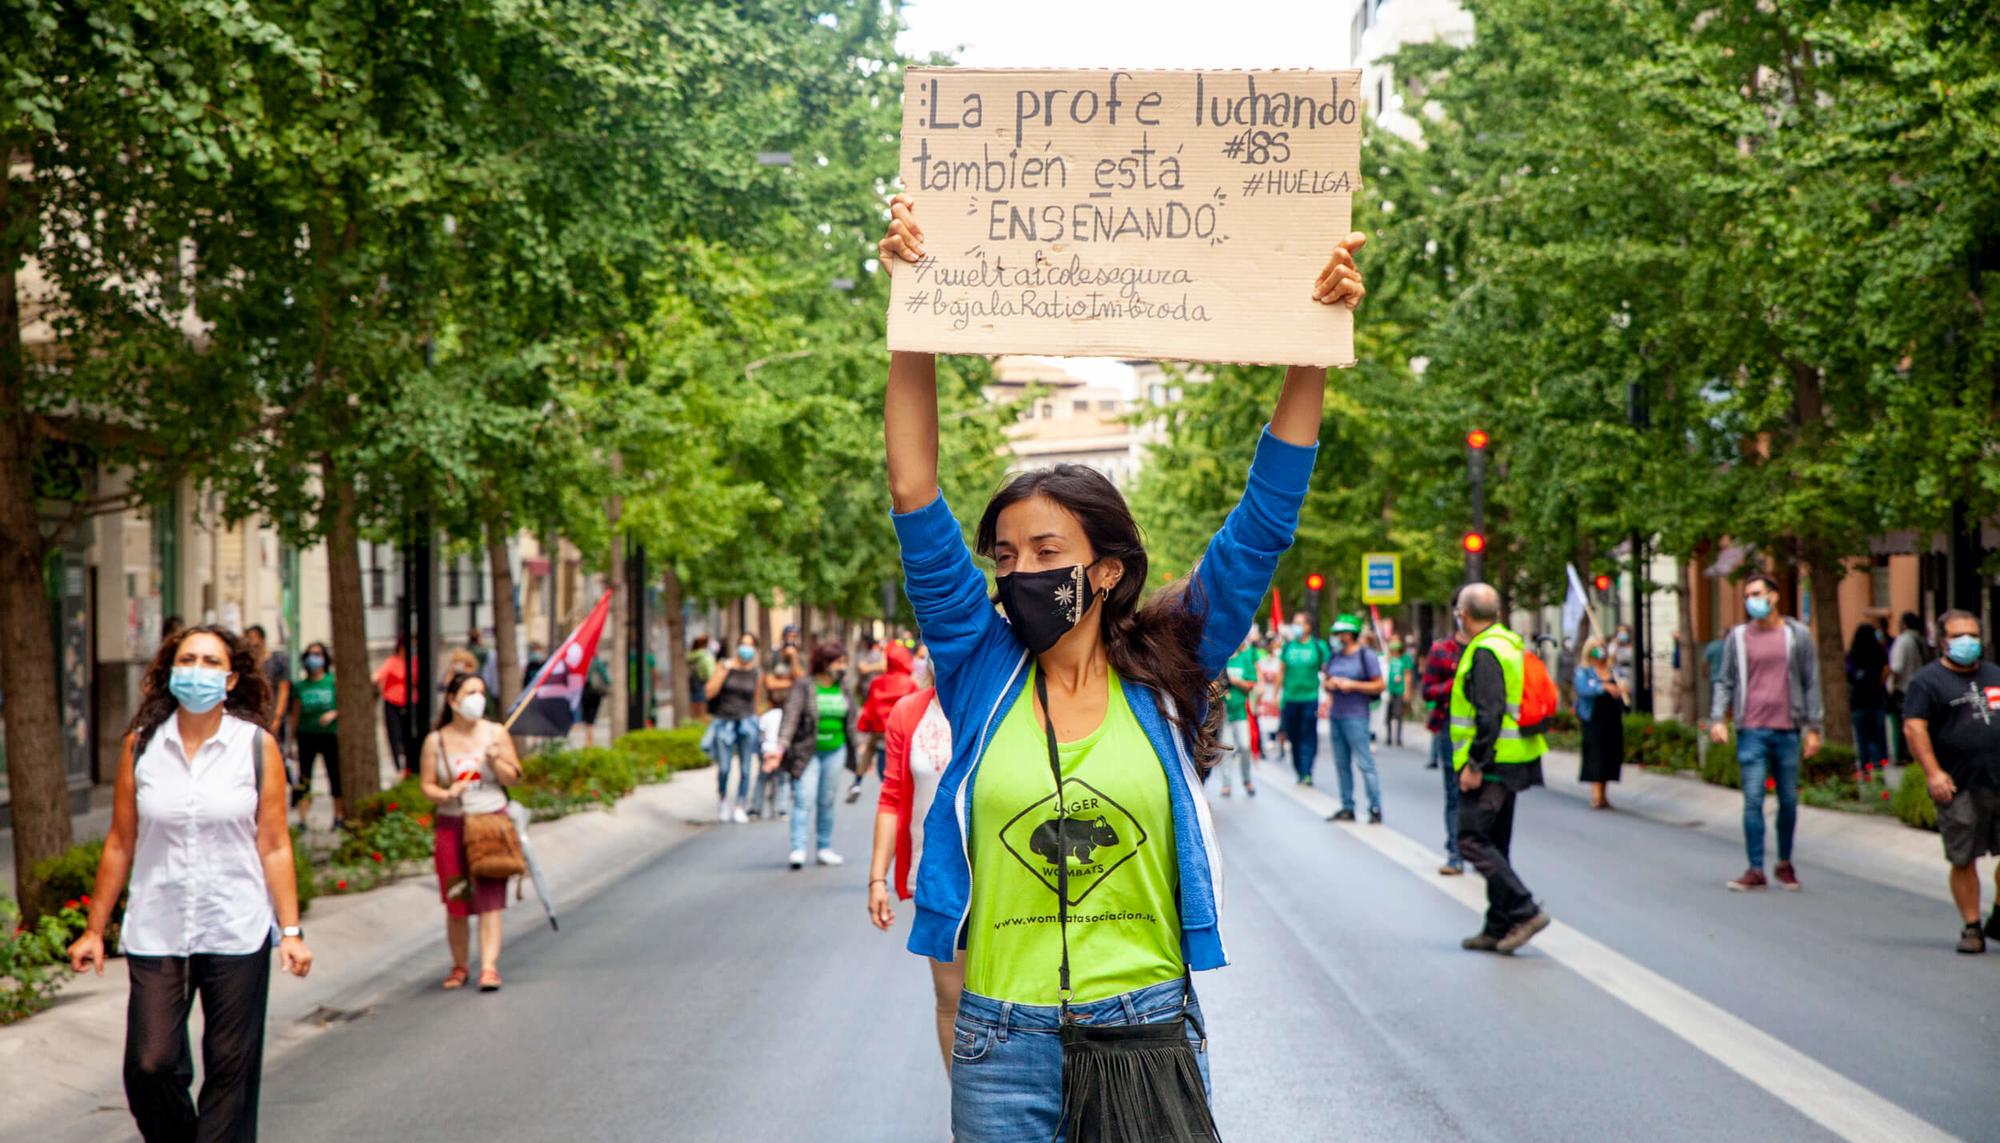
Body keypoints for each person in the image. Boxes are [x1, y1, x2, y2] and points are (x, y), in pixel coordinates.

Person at [878, 193, 1364, 1140]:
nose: (1018, 572)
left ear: (1103, 570)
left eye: (1045, 551)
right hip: (1000, 1045)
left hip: (1147, 1032)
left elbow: (1263, 518)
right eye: (1004, 557)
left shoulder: (1170, 661)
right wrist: (914, 312)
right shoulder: (978, 666)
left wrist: (1314, 338)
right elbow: (912, 488)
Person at [68, 625, 314, 1141]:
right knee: (150, 1065)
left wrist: (290, 931)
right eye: (187, 659)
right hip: (158, 927)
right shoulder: (141, 747)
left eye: (209, 662)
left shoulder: (255, 746)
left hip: (235, 925)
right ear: (169, 671)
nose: (196, 670)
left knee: (231, 1069)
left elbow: (273, 843)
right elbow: (119, 841)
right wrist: (95, 929)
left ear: (229, 680)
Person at [1451, 584, 1552, 954]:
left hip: (1492, 765)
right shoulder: (1509, 642)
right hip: (1514, 758)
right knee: (1496, 845)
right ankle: (1497, 925)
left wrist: (1474, 764)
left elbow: (1489, 713)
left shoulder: (1485, 651)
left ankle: (1524, 910)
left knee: (1470, 839)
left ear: (1464, 613)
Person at [1708, 572, 1824, 892]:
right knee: (1753, 799)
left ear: (1774, 597)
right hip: (1752, 729)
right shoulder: (1738, 636)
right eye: (1747, 596)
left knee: (1788, 800)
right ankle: (1755, 868)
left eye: (1757, 594)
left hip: (1788, 729)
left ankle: (1784, 863)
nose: (1751, 601)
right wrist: (1718, 718)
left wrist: (1814, 728)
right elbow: (1725, 679)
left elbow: (1811, 681)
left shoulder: (1797, 635)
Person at [869, 686, 962, 1073]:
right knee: (951, 999)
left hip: (1001, 872)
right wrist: (877, 878)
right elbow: (891, 796)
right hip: (934, 875)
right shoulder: (909, 712)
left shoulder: (1001, 690)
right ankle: (965, 1119)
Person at [1899, 610, 2000, 954]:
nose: (1967, 642)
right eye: (1958, 636)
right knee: (1963, 858)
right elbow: (1915, 728)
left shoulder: (1994, 675)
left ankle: (1998, 911)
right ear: (1942, 640)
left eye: (1972, 635)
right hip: (1957, 784)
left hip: (1997, 778)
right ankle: (1972, 926)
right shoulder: (1927, 682)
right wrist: (1933, 773)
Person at [418, 672, 522, 992]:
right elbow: (427, 785)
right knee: (457, 899)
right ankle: (460, 964)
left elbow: (514, 777)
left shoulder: (496, 734)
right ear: (453, 700)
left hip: (489, 821)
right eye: (470, 692)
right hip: (453, 825)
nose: (478, 698)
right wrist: (448, 794)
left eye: (481, 691)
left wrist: (497, 760)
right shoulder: (436, 741)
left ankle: (489, 967)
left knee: (490, 899)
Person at [768, 642, 857, 870]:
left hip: (835, 751)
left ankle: (824, 848)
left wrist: (860, 755)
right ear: (824, 663)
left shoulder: (843, 687)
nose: (842, 667)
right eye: (838, 662)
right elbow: (790, 717)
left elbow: (851, 723)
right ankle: (798, 848)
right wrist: (780, 748)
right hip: (808, 752)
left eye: (844, 662)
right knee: (803, 798)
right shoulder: (805, 686)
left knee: (826, 801)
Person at [1322, 613, 1386, 823]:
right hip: (1337, 715)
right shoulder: (1335, 656)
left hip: (1357, 716)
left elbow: (1379, 685)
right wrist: (1331, 685)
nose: (1336, 637)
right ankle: (1347, 806)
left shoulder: (1365, 656)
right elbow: (1327, 680)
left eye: (1340, 633)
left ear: (1350, 635)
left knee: (1365, 763)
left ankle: (1375, 807)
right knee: (1342, 763)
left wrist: (1352, 685)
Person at [1422, 609, 1467, 875]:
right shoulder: (1442, 650)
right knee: (1454, 791)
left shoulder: (1491, 647)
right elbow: (1428, 690)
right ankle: (1455, 853)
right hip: (1450, 727)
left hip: (1486, 729)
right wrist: (1456, 685)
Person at [705, 633, 765, 823]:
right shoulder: (724, 666)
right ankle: (723, 799)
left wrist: (760, 723)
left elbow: (757, 701)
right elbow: (709, 692)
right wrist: (723, 671)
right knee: (724, 767)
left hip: (747, 721)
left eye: (750, 645)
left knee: (746, 768)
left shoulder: (757, 673)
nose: (745, 649)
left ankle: (740, 804)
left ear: (755, 650)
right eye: (742, 644)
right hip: (725, 721)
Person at [853, 641, 919, 803]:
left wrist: (866, 726)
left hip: (880, 733)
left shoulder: (877, 683)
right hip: (903, 739)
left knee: (872, 756)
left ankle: (857, 781)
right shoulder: (910, 684)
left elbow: (869, 708)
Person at [291, 641, 341, 826]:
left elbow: (344, 705)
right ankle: (303, 819)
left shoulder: (332, 682)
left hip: (329, 735)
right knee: (305, 776)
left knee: (335, 775)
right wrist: (290, 740)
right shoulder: (300, 686)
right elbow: (295, 714)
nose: (314, 658)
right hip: (306, 735)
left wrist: (333, 714)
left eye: (318, 654)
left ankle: (338, 816)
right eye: (311, 654)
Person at [1278, 611, 1331, 786]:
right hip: (1290, 698)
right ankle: (1299, 768)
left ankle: (1306, 772)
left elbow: (1327, 671)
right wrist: (1275, 695)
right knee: (1293, 735)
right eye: (1295, 623)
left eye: (1300, 623)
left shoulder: (1318, 646)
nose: (1296, 627)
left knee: (1307, 735)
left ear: (1308, 626)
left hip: (1310, 698)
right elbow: (1281, 671)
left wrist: (1329, 696)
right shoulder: (1288, 647)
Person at [1574, 636, 1627, 810]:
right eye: (1595, 648)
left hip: (1611, 718)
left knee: (1610, 754)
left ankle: (1604, 794)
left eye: (1601, 647)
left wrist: (1622, 688)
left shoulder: (1613, 669)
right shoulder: (1584, 671)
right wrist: (1603, 687)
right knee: (1596, 754)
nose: (1599, 651)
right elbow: (1582, 689)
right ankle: (1596, 795)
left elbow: (1624, 684)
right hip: (1593, 718)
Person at [1219, 632, 1260, 797]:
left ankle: (1247, 779)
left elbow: (1251, 684)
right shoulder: (1222, 659)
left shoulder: (1244, 658)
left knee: (1244, 746)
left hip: (1240, 711)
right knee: (1226, 747)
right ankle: (1226, 784)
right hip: (1224, 710)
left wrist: (1236, 681)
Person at [1846, 622, 1891, 771]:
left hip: (1858, 701)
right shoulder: (1879, 651)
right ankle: (1879, 764)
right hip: (1876, 699)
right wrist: (1880, 684)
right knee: (1878, 735)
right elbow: (1886, 669)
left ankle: (1865, 767)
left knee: (1862, 737)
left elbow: (1848, 676)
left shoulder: (1852, 654)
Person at [753, 662, 795, 819]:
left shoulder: (767, 716)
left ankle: (755, 809)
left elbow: (761, 733)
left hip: (767, 751)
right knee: (783, 781)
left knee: (762, 780)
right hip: (781, 751)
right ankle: (782, 809)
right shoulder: (787, 716)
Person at [1887, 611, 1930, 763]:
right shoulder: (1922, 640)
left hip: (1904, 689)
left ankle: (1903, 755)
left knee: (1903, 725)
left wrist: (1891, 685)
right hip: (1923, 688)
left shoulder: (1903, 640)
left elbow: (1896, 667)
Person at [243, 624, 290, 749]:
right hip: (253, 716)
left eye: (253, 638)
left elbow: (283, 689)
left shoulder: (278, 661)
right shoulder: (247, 664)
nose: (251, 643)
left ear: (262, 639)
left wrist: (277, 718)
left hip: (273, 715)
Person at [373, 637, 412, 776]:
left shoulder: (414, 662)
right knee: (394, 734)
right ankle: (398, 767)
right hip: (392, 701)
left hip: (410, 702)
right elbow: (378, 676)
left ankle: (409, 765)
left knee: (409, 734)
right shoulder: (393, 661)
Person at [1255, 634, 1285, 765]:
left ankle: (1280, 746)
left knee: (1278, 722)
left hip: (1277, 695)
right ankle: (1263, 747)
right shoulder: (1262, 660)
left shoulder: (1280, 660)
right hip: (1264, 695)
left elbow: (1282, 676)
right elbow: (1259, 675)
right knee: (1264, 722)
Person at [1383, 637, 1414, 747]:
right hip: (1389, 690)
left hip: (1400, 690)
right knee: (1388, 715)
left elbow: (1408, 675)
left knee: (1398, 714)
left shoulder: (1405, 658)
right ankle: (1389, 737)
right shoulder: (1388, 657)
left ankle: (1399, 738)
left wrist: (1407, 691)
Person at [686, 634, 716, 720]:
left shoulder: (691, 656)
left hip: (693, 683)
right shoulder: (705, 656)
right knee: (703, 711)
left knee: (694, 710)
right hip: (703, 683)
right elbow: (709, 672)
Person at [1612, 624, 1635, 692]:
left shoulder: (1632, 645)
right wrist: (1616, 646)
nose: (1622, 633)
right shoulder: (1614, 645)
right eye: (1620, 631)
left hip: (1631, 672)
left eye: (1624, 631)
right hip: (1620, 673)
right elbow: (1610, 660)